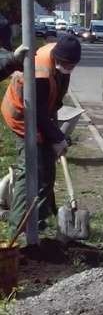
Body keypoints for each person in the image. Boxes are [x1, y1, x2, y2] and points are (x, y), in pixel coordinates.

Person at [1, 35, 81, 231]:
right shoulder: (40, 73)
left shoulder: (62, 56)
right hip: (22, 117)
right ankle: (20, 225)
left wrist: (56, 135)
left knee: (46, 168)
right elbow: (37, 113)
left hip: (40, 113)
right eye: (65, 64)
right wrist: (57, 137)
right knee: (31, 171)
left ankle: (41, 217)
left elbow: (51, 102)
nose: (67, 68)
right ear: (56, 57)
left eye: (71, 65)